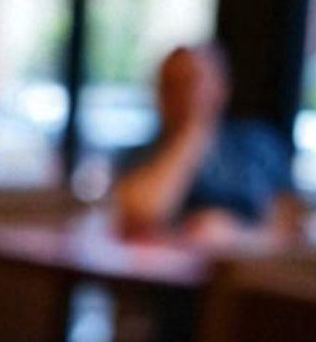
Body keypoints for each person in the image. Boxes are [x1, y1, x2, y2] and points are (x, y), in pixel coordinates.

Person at [113, 45, 303, 243]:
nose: (184, 95)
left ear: (222, 87)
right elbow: (142, 215)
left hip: (248, 269)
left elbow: (290, 230)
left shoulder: (258, 145)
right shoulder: (140, 153)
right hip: (163, 270)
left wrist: (236, 237)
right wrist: (191, 136)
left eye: (193, 82)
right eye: (172, 85)